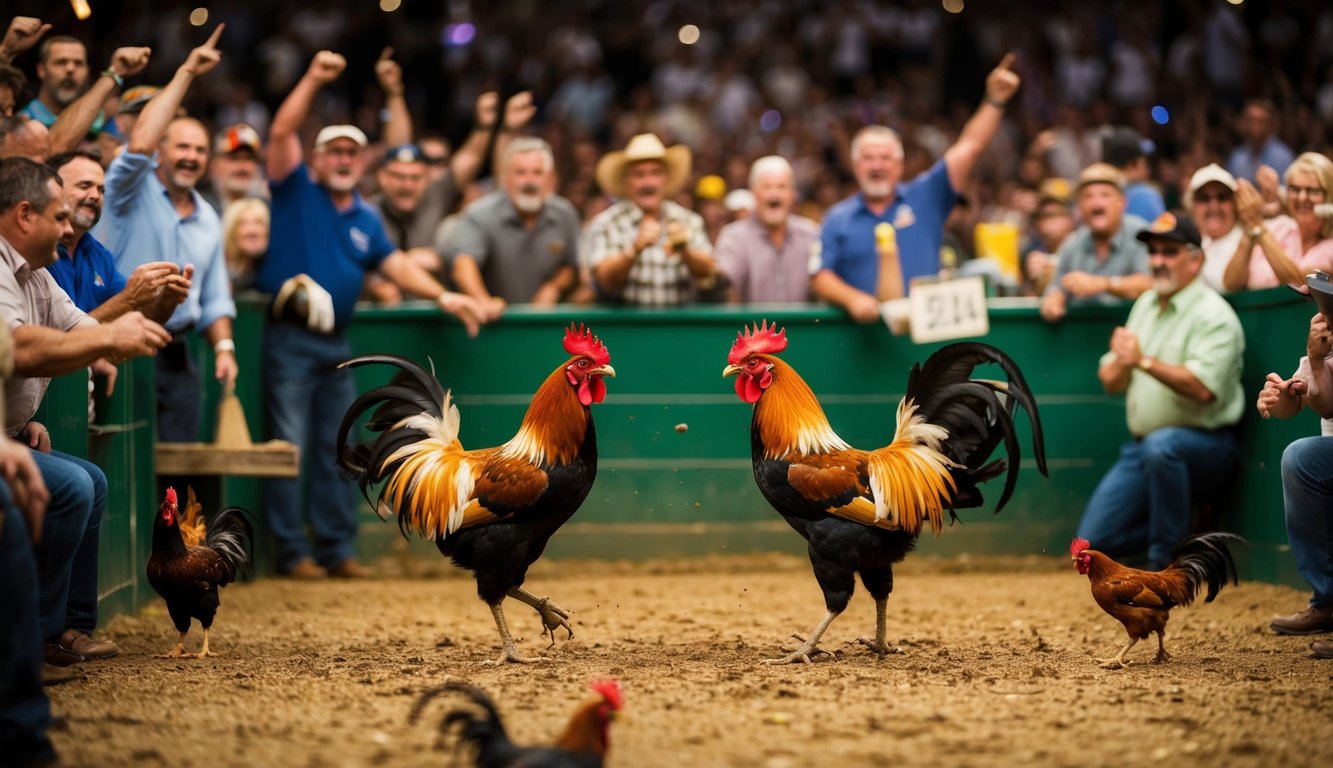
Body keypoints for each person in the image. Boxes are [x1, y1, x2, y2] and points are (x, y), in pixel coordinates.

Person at [259, 50, 483, 579]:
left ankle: (337, 551)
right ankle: (292, 554)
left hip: (337, 343)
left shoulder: (365, 215)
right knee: (289, 445)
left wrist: (443, 296)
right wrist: (313, 76)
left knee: (341, 446)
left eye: (351, 153)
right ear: (316, 158)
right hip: (289, 339)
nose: (342, 159)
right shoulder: (294, 190)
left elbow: (397, 264)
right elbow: (282, 129)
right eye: (333, 151)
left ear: (363, 163)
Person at [0, 156, 170, 676]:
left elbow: (79, 330)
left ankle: (66, 628)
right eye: (59, 216)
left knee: (91, 481)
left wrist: (139, 313)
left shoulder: (37, 274)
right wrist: (113, 332)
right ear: (25, 215)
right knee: (73, 485)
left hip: (10, 434)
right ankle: (35, 642)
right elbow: (17, 346)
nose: (69, 227)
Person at [1074, 214, 1245, 571]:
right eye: (1153, 252)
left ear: (1195, 259)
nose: (1157, 262)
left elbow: (1202, 390)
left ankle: (1164, 562)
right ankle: (1194, 534)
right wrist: (1123, 362)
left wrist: (1142, 360)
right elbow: (1110, 380)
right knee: (1091, 546)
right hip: (1143, 448)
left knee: (1162, 446)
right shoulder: (1146, 304)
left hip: (1208, 446)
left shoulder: (1215, 314)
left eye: (1169, 252)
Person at [91, 26, 237, 443]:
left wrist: (225, 349)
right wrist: (188, 71)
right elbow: (137, 146)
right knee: (126, 462)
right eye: (181, 147)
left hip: (178, 354)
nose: (191, 157)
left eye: (199, 150)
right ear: (160, 150)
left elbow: (215, 297)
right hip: (120, 344)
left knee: (178, 472)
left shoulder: (209, 217)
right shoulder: (124, 192)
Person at [811, 53, 1021, 322]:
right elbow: (820, 275)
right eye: (868, 158)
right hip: (861, 340)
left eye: (885, 158)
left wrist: (995, 100)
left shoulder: (925, 195)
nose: (877, 166)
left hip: (925, 335)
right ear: (854, 165)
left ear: (899, 164)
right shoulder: (838, 217)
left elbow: (969, 148)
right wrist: (853, 299)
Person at [1255, 311, 1333, 655]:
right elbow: (1301, 400)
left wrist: (1317, 360)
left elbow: (1327, 404)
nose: (1321, 313)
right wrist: (1279, 396)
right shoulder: (1323, 346)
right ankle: (1328, 601)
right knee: (1300, 457)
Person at [46, 150, 191, 322]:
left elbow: (139, 317)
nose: (95, 196)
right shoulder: (38, 253)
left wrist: (167, 299)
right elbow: (62, 338)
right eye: (84, 186)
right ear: (53, 190)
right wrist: (129, 298)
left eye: (101, 190)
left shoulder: (98, 254)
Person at [447, 137, 581, 319]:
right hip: (494, 325)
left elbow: (570, 266)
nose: (529, 181)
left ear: (550, 178)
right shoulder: (479, 214)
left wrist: (553, 286)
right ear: (505, 178)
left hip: (546, 324)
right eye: (520, 173)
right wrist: (483, 301)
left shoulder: (565, 214)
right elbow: (463, 264)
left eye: (537, 173)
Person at [584, 132, 721, 306]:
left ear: (666, 179)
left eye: (655, 173)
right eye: (639, 175)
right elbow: (604, 281)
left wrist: (685, 251)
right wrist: (633, 250)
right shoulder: (607, 223)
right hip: (624, 328)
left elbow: (709, 272)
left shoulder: (688, 220)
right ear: (626, 181)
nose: (648, 182)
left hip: (677, 328)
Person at [1039, 163, 1153, 322]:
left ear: (1122, 203)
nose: (1096, 204)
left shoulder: (1141, 234)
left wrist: (1103, 284)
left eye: (1105, 195)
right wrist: (1053, 300)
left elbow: (1151, 284)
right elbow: (1056, 286)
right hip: (1083, 336)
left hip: (1133, 332)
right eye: (1088, 196)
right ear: (1080, 207)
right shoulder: (1073, 243)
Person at [714, 155, 818, 304]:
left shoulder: (810, 233)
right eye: (766, 187)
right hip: (752, 327)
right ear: (753, 194)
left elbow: (824, 280)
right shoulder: (734, 236)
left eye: (781, 187)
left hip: (801, 328)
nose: (774, 194)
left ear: (793, 194)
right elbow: (723, 281)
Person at [1223, 151, 1333, 291]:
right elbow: (1231, 284)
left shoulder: (1331, 247)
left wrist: (1257, 225)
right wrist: (1250, 224)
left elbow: (1300, 284)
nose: (1301, 197)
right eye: (1295, 189)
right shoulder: (1279, 227)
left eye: (1312, 191)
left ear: (1329, 196)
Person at [1186, 163, 1242, 292]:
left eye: (1222, 198)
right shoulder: (1187, 245)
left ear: (1235, 203)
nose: (1214, 206)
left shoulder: (1249, 238)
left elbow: (1224, 287)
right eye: (1204, 198)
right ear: (1192, 205)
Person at [1020, 181, 1076, 297]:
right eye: (1042, 216)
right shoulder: (1031, 250)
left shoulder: (1084, 246)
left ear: (1070, 218)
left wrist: (1051, 265)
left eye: (1053, 215)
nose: (1046, 223)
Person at [1102, 126, 1165, 223]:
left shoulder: (1096, 192)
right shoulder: (1144, 194)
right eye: (1145, 162)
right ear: (1134, 164)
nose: (1148, 168)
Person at [1227, 99, 1295, 186]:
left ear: (1270, 125)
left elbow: (1288, 192)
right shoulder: (1237, 158)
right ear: (1243, 123)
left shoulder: (1283, 157)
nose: (1255, 126)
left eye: (1261, 121)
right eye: (1250, 120)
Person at [202, 123, 267, 214]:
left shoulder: (265, 210)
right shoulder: (199, 207)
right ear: (214, 165)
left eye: (249, 158)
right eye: (234, 158)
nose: (242, 166)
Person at [221, 197, 268, 293]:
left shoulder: (266, 269)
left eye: (259, 222)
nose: (252, 230)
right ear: (231, 230)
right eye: (243, 223)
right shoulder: (219, 267)